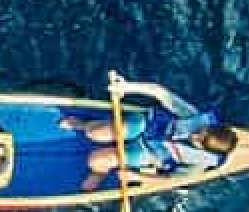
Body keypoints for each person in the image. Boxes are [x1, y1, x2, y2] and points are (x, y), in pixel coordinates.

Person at [61, 74, 239, 190]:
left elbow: (171, 180)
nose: (193, 135)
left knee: (96, 161)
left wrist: (136, 176)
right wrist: (127, 87)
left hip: (151, 153)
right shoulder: (196, 116)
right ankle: (84, 125)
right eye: (199, 131)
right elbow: (159, 92)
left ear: (204, 150)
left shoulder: (199, 164)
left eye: (198, 140)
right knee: (94, 133)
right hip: (149, 126)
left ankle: (99, 173)